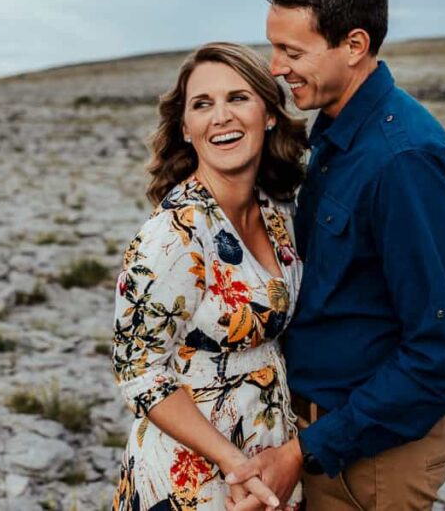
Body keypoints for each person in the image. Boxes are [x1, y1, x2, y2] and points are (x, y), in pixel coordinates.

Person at [226, 0, 445, 510]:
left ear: (355, 46)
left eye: (292, 51)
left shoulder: (403, 161)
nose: (275, 67)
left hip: (372, 461)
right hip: (328, 440)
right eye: (274, 47)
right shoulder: (339, 135)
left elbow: (442, 356)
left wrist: (306, 449)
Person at [111, 42, 310, 510]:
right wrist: (232, 462)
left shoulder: (277, 214)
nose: (221, 116)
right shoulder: (173, 235)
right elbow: (138, 369)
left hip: (269, 457)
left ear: (269, 114)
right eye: (203, 104)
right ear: (186, 128)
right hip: (193, 471)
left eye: (237, 98)